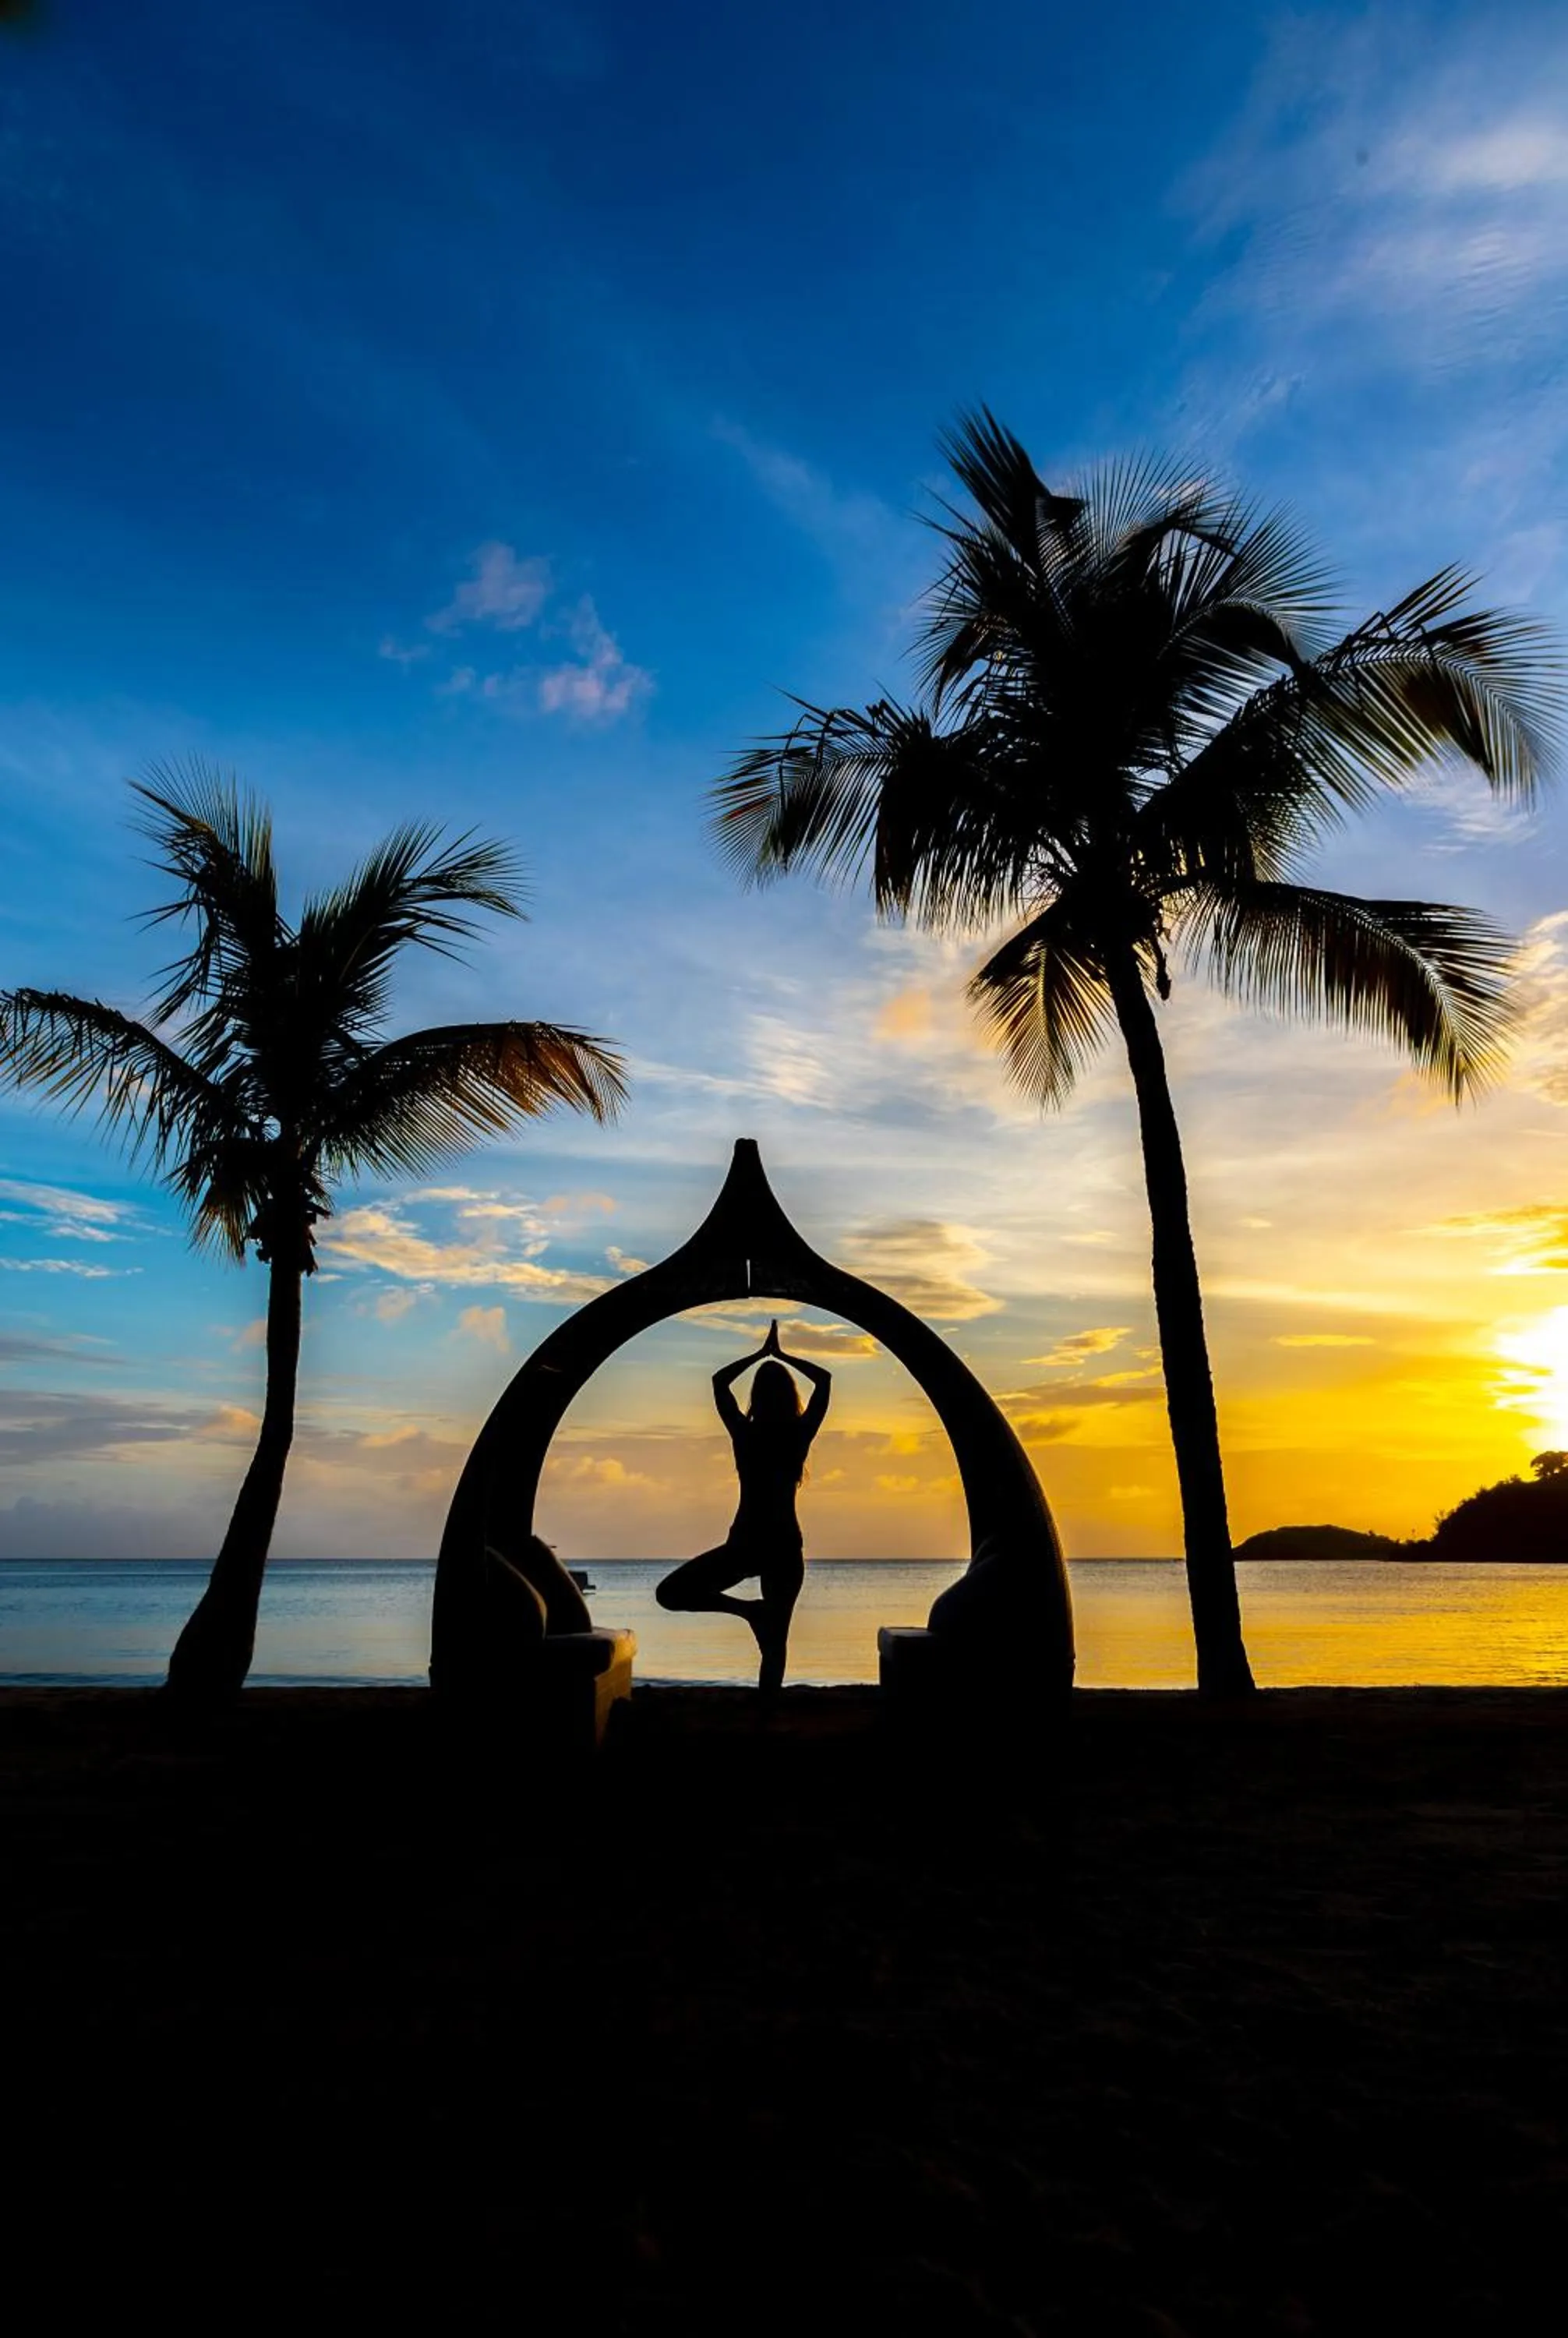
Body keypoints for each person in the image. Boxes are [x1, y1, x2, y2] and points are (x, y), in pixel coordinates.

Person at [656, 1319, 831, 1693]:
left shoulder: (745, 1433)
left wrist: (759, 1355)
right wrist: (782, 1355)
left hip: (749, 1543)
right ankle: (766, 1704)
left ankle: (749, 1613)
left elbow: (719, 1382)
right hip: (782, 1544)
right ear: (790, 1395)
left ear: (757, 1396)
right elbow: (825, 1380)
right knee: (775, 1643)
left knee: (670, 1594)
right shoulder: (798, 1434)